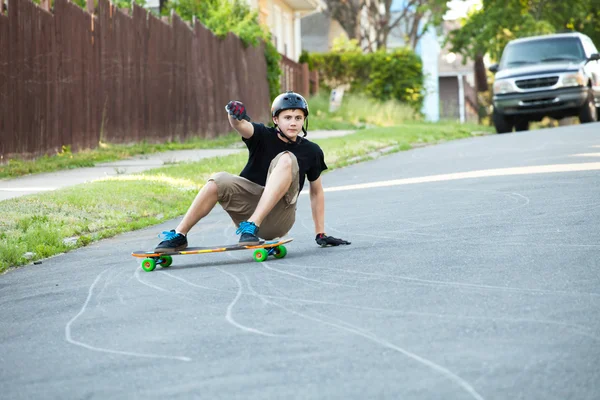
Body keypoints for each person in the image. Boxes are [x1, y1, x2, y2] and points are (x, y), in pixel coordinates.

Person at [154, 91, 351, 252]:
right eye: (287, 117)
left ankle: (253, 226)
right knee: (218, 179)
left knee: (286, 158)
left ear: (304, 120)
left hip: (279, 217)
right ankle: (179, 235)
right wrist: (233, 113)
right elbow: (240, 125)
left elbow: (316, 192)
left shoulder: (312, 151)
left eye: (298, 118)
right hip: (247, 210)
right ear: (276, 119)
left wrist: (320, 233)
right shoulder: (262, 135)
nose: (293, 123)